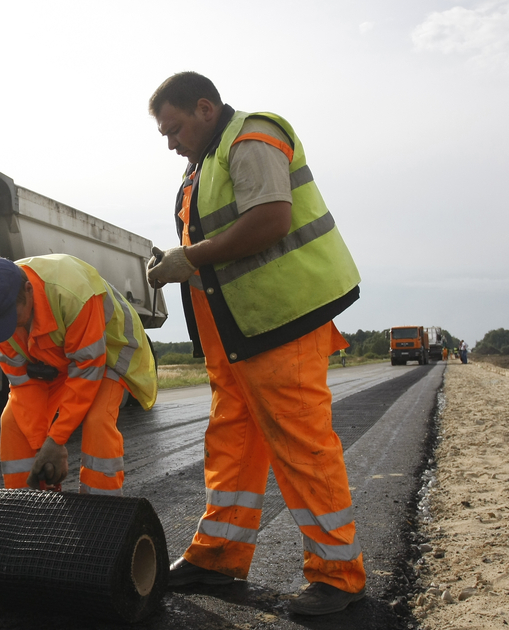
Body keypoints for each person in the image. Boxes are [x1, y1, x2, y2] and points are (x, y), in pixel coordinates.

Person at [145, 72, 365, 616]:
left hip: (280, 323)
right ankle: (218, 556)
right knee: (233, 444)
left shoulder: (250, 138)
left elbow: (271, 219)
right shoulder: (200, 167)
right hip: (237, 334)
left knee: (301, 444)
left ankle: (339, 575)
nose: (170, 142)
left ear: (204, 108)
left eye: (174, 129)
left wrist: (188, 259)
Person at [0, 254, 157, 495]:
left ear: (28, 291)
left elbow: (87, 371)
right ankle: (24, 510)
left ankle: (102, 514)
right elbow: (24, 385)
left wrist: (56, 441)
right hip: (59, 357)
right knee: (14, 423)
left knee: (97, 421)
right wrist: (42, 448)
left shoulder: (72, 293)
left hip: (108, 352)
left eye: (11, 317)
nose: (9, 328)